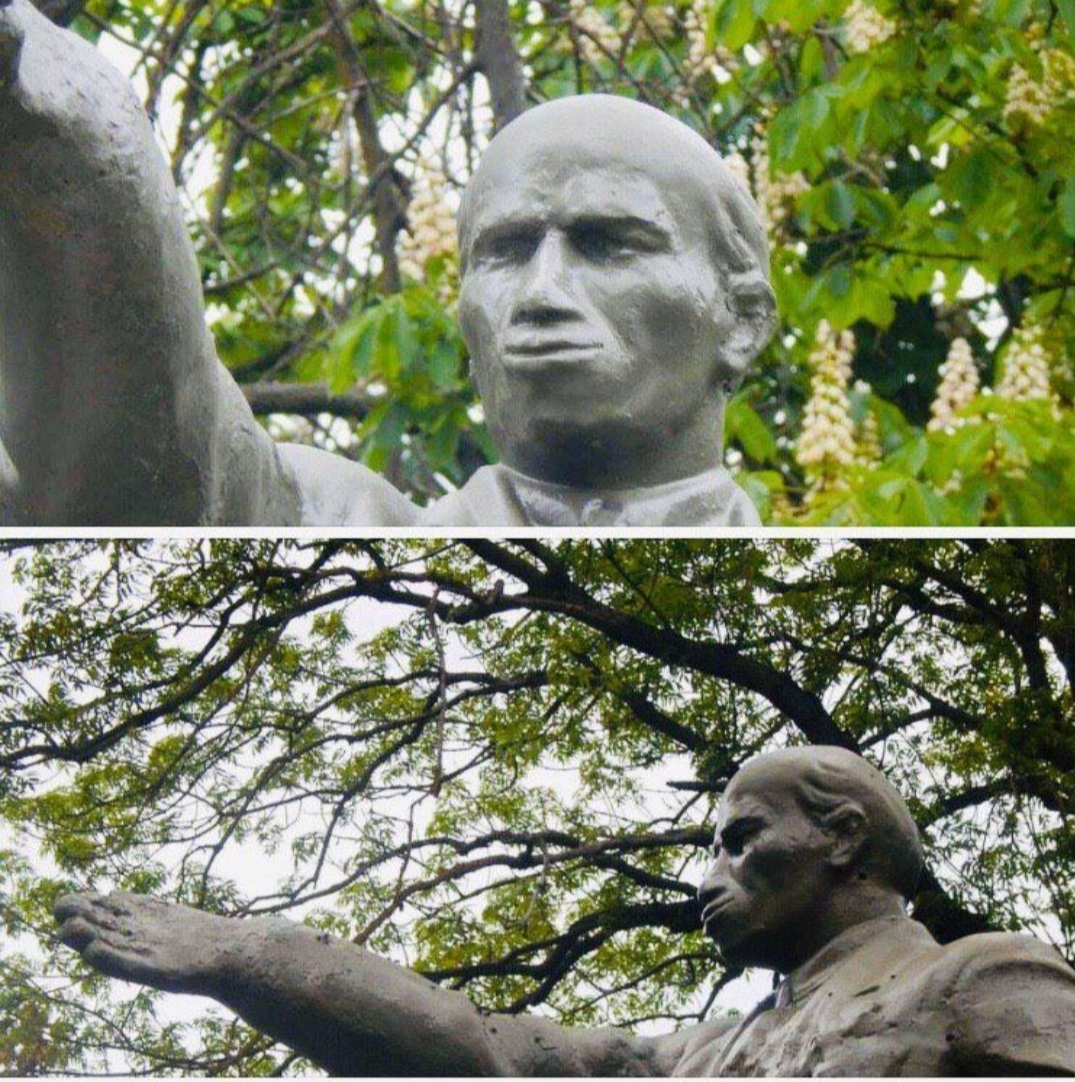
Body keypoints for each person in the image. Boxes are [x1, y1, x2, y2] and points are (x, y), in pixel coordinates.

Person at [0, 0, 774, 526]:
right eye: (503, 253)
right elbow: (154, 458)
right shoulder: (324, 516)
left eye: (608, 244)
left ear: (741, 318)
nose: (539, 294)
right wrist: (26, 77)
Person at [54, 745, 1075, 1075]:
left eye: (738, 839)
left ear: (843, 837)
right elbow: (477, 1044)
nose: (704, 879)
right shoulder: (699, 1053)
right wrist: (250, 954)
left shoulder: (983, 976)